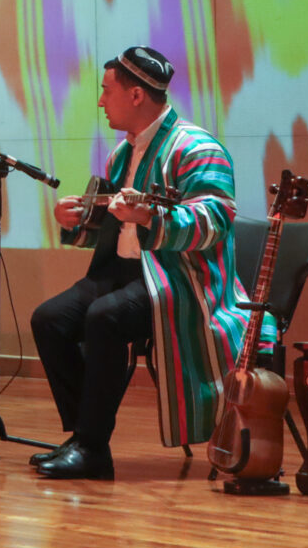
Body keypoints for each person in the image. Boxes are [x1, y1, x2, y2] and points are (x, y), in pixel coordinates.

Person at [30, 46, 258, 479]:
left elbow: (215, 220)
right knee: (50, 319)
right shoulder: (123, 154)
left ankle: (92, 447)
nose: (100, 101)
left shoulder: (198, 148)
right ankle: (83, 434)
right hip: (122, 273)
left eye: (106, 91)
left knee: (104, 318)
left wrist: (151, 215)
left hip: (179, 280)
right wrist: (76, 220)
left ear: (136, 95)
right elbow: (113, 224)